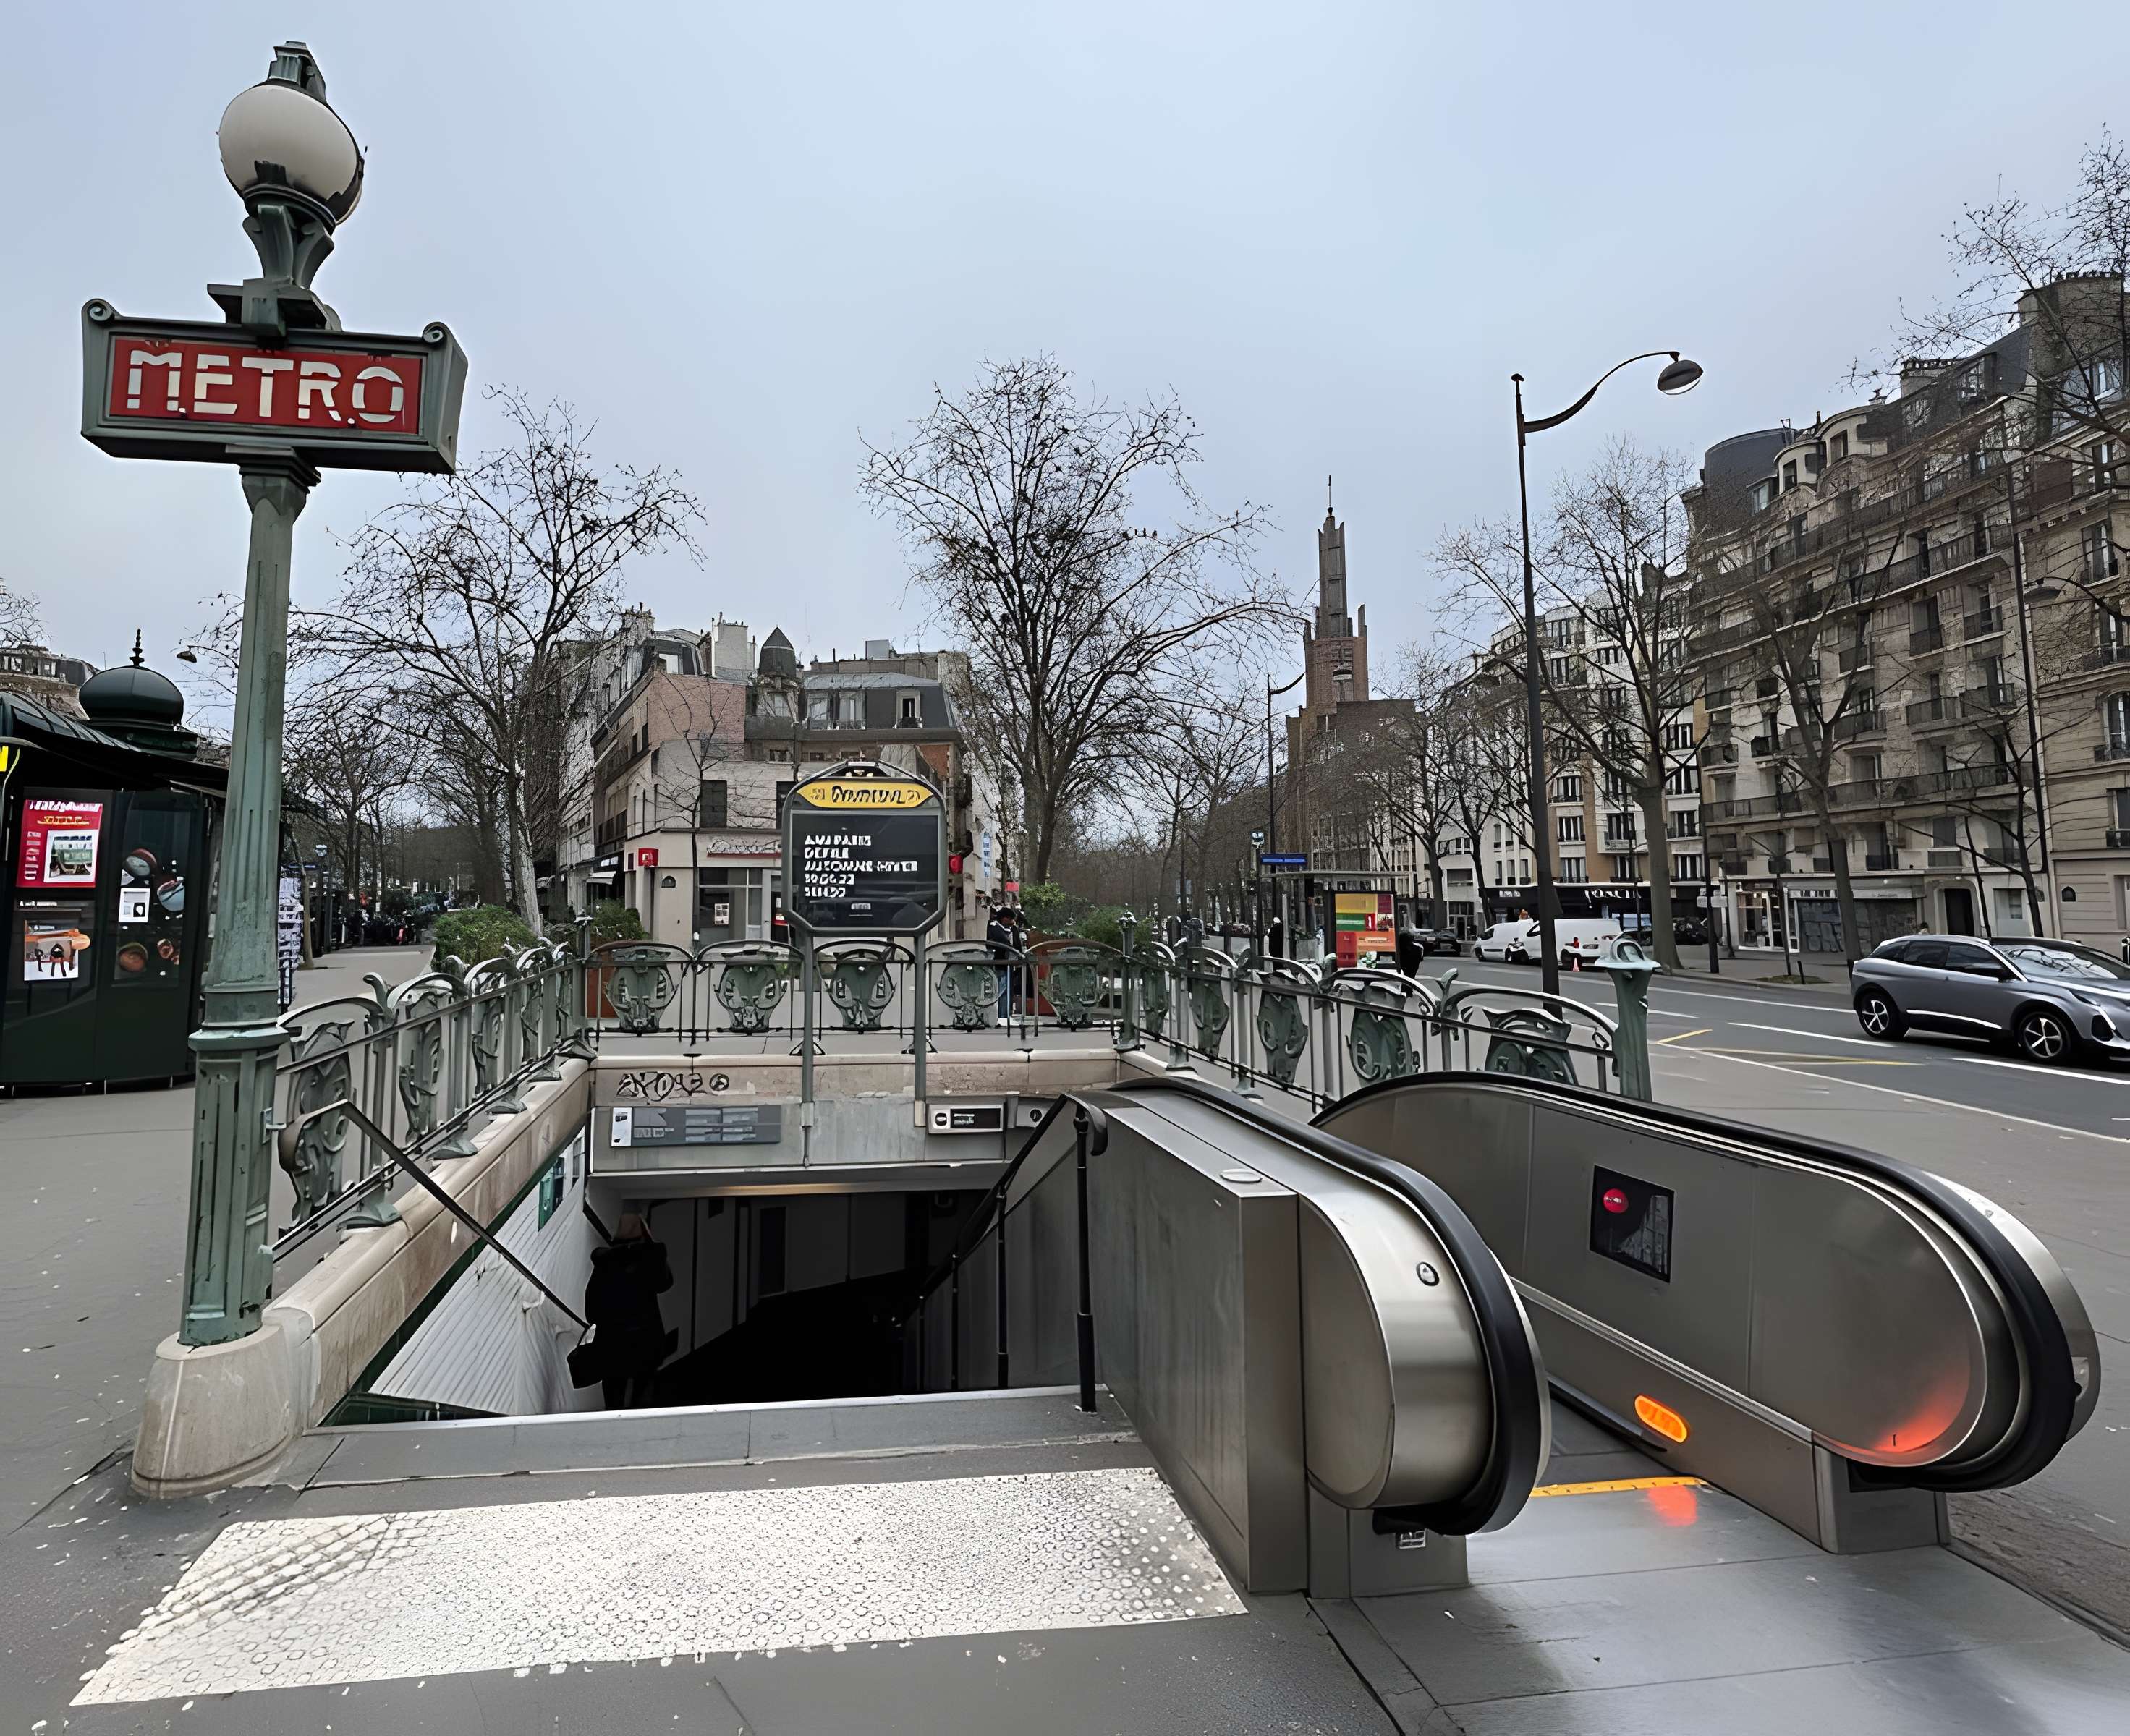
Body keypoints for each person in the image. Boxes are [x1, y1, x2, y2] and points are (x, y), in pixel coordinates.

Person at [583, 1214, 674, 1409]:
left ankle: (614, 1432)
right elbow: (665, 1283)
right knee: (642, 1397)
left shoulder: (605, 1263)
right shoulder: (649, 1260)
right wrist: (655, 1249)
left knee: (614, 1397)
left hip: (612, 1342)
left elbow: (592, 1308)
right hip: (645, 1341)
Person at [987, 902, 1018, 1020]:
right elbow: (1003, 942)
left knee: (1006, 991)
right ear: (1003, 918)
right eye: (1009, 919)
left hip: (1008, 965)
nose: (1010, 922)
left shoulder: (1010, 929)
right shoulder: (994, 926)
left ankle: (1005, 1015)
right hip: (999, 964)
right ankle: (1001, 1016)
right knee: (1001, 990)